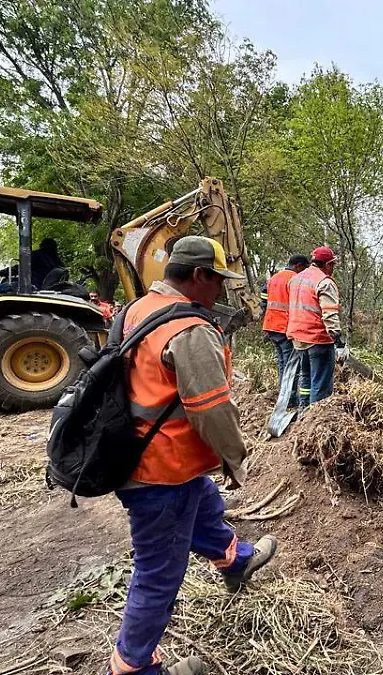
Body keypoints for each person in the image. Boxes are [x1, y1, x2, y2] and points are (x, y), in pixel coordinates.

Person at [107, 236, 278, 675]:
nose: (220, 290)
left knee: (203, 502)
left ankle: (235, 561)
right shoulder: (189, 329)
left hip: (142, 455)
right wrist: (235, 459)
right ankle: (134, 666)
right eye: (218, 280)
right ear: (199, 275)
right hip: (161, 470)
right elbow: (212, 410)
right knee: (159, 574)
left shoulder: (138, 309)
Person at [285, 246, 342, 408]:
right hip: (318, 340)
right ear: (328, 264)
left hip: (298, 339)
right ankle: (315, 422)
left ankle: (303, 414)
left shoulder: (295, 279)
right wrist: (338, 341)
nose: (333, 269)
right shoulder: (324, 282)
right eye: (333, 265)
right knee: (321, 385)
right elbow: (329, 313)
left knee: (306, 378)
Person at [261, 254, 310, 401]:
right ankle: (290, 398)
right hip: (285, 327)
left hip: (271, 326)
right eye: (304, 268)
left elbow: (264, 300)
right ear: (298, 266)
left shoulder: (274, 278)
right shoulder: (294, 280)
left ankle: (284, 394)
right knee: (291, 366)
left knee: (282, 362)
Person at [0, 237, 65, 291]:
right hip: (44, 287)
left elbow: (18, 269)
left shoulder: (37, 255)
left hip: (32, 286)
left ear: (42, 246)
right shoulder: (59, 262)